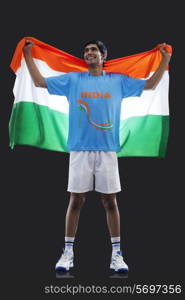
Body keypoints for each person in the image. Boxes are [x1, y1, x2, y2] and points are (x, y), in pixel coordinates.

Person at [23, 39, 171, 273]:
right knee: (76, 200)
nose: (89, 52)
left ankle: (117, 255)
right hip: (80, 149)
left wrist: (165, 60)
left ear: (103, 57)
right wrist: (28, 55)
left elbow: (151, 85)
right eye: (86, 50)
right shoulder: (73, 80)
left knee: (110, 201)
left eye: (94, 50)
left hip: (107, 149)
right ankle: (67, 252)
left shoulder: (117, 81)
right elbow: (39, 82)